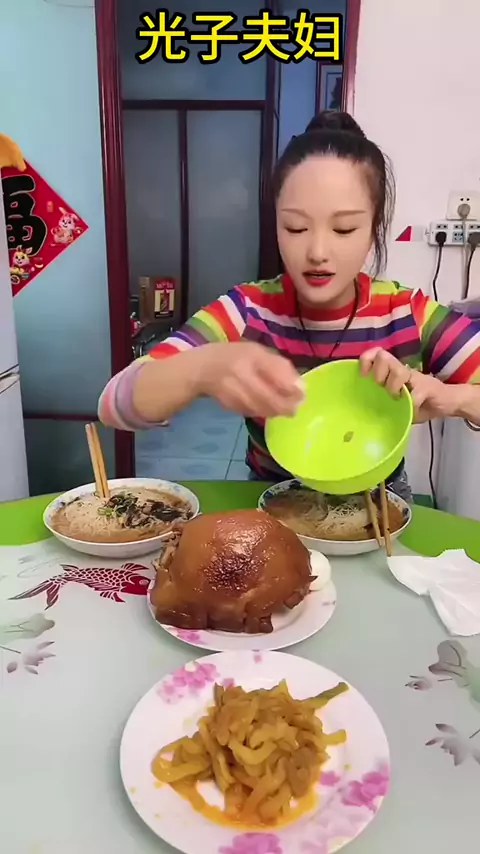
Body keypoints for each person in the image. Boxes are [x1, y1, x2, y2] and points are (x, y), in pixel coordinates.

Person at [99, 111, 480, 502]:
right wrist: (202, 368)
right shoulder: (248, 310)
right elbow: (114, 404)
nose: (317, 252)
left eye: (344, 229)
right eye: (296, 227)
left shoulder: (405, 313)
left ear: (373, 231)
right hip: (272, 504)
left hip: (380, 511)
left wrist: (451, 398)